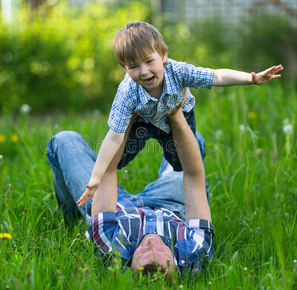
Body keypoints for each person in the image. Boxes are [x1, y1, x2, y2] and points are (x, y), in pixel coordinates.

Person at [77, 21, 283, 207]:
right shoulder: (127, 91)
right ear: (124, 68)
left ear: (164, 54)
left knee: (181, 163)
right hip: (143, 120)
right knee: (116, 159)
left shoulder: (178, 71)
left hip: (179, 115)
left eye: (149, 61)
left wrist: (251, 78)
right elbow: (113, 137)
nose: (144, 72)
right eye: (133, 67)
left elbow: (216, 75)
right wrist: (96, 175)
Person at [47, 101, 213, 278]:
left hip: (116, 207)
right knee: (195, 139)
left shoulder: (110, 249)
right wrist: (175, 114)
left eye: (142, 253)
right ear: (178, 268)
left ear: (128, 266)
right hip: (170, 205)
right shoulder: (196, 251)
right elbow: (193, 176)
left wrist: (128, 117)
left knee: (63, 140)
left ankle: (71, 217)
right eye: (163, 252)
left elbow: (108, 171)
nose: (151, 241)